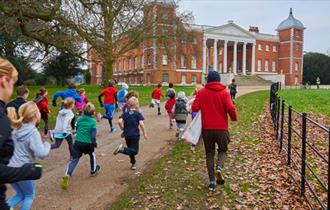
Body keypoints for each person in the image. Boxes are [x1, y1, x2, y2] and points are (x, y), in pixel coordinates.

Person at [0, 58, 42, 210]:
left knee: (20, 195)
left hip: (12, 170)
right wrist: (27, 170)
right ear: (4, 81)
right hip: (19, 168)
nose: (10, 90)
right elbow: (40, 152)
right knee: (29, 195)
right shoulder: (3, 121)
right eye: (12, 84)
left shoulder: (9, 119)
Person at [192, 71, 237, 191]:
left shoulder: (201, 93)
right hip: (221, 128)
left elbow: (194, 107)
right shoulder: (224, 93)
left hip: (207, 129)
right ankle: (219, 168)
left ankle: (212, 181)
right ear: (218, 80)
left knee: (209, 154)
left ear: (208, 81)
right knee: (223, 150)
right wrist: (233, 118)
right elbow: (231, 108)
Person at [7, 102, 50, 210]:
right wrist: (47, 144)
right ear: (36, 115)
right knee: (29, 195)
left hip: (9, 168)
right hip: (23, 170)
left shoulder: (16, 128)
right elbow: (42, 154)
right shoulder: (32, 132)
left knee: (20, 194)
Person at [61, 103, 100, 190]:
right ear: (93, 112)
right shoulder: (93, 122)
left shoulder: (79, 118)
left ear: (84, 111)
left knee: (75, 159)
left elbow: (76, 127)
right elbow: (93, 135)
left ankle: (67, 174)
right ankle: (93, 171)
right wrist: (94, 143)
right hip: (88, 143)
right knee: (92, 155)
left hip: (78, 142)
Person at [114, 97, 148, 170]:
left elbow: (119, 122)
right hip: (135, 135)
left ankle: (133, 163)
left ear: (128, 105)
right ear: (137, 105)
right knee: (135, 151)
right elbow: (141, 124)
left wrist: (123, 129)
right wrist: (144, 133)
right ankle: (122, 149)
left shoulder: (125, 114)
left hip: (127, 135)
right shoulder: (138, 114)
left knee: (130, 149)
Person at [186, 84, 203, 150]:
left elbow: (188, 105)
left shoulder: (193, 98)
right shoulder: (196, 98)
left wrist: (189, 110)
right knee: (199, 128)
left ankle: (195, 143)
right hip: (198, 114)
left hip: (195, 113)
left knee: (195, 128)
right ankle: (196, 143)